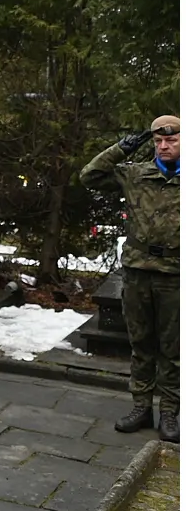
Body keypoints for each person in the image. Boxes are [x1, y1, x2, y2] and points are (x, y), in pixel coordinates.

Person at [81, 116, 180, 443]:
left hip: (175, 274)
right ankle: (141, 406)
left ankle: (170, 411)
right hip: (138, 271)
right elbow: (90, 176)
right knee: (140, 344)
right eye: (158, 141)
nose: (164, 146)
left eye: (172, 140)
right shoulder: (136, 174)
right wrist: (122, 148)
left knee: (173, 348)